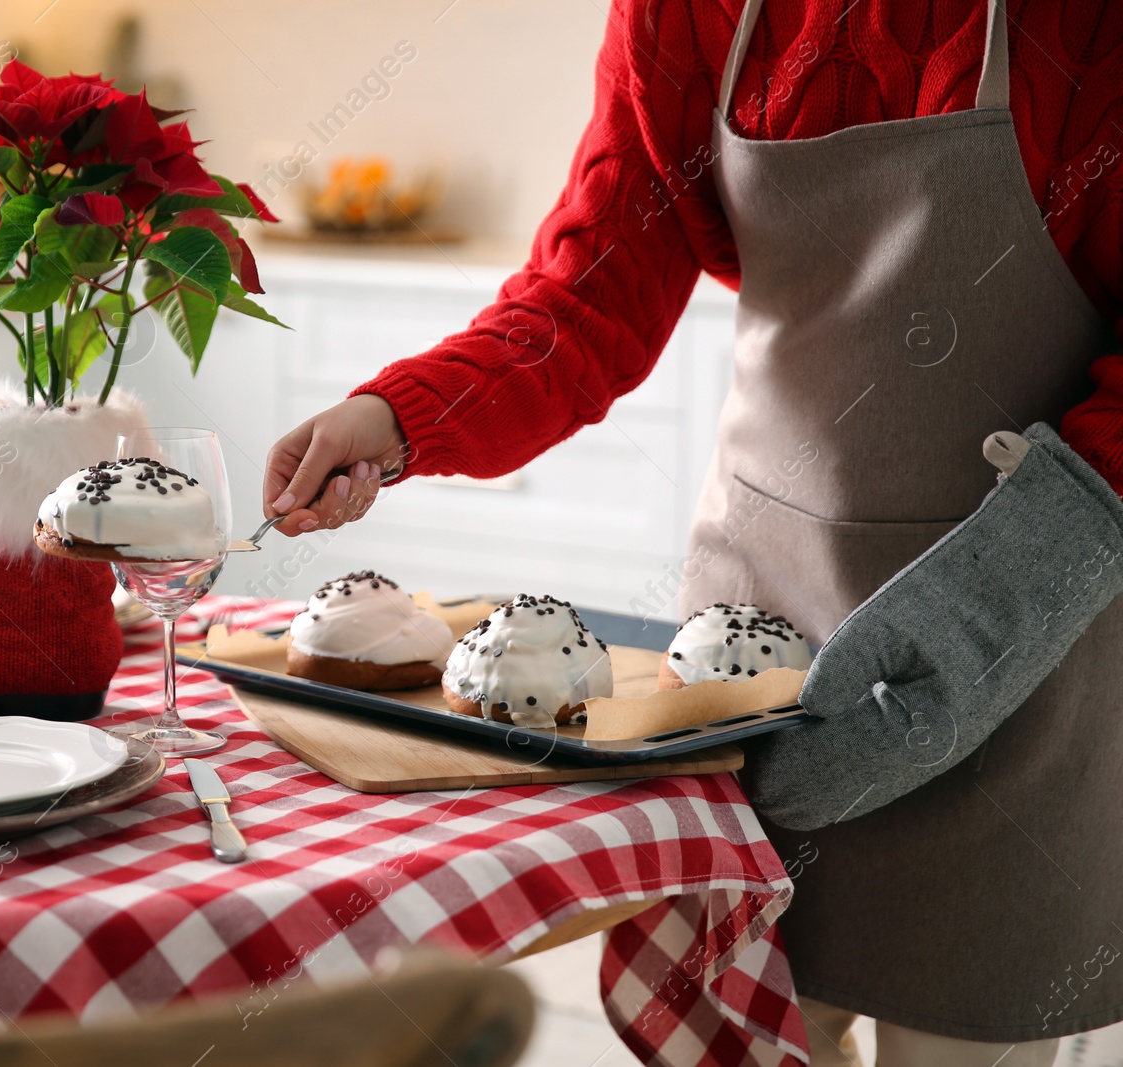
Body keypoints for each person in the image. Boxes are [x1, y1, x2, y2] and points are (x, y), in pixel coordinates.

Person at [261, 1, 1123, 1064]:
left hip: (1002, 651)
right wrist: (400, 419)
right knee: (739, 1027)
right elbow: (588, 296)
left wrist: (988, 614)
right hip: (749, 654)